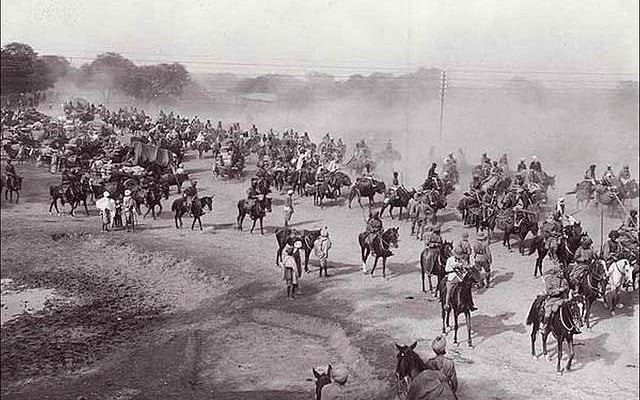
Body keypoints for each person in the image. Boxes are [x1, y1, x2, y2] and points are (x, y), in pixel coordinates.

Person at [542, 264, 571, 330]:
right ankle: (545, 326)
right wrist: (558, 290)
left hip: (563, 298)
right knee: (549, 311)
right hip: (553, 299)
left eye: (561, 272)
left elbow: (567, 287)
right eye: (559, 272)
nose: (561, 273)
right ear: (555, 273)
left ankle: (574, 324)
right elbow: (549, 291)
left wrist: (564, 288)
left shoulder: (563, 280)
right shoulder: (549, 280)